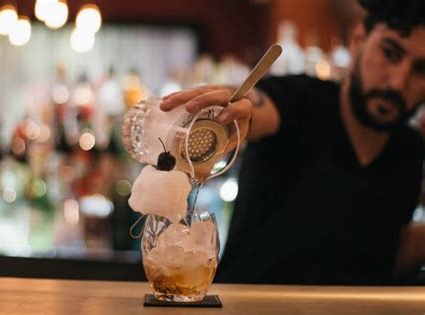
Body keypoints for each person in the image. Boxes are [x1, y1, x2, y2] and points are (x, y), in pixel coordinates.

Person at [159, 0, 425, 285]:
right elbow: (259, 105)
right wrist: (231, 112)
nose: (398, 82)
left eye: (420, 69)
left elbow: (385, 257)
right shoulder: (301, 100)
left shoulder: (409, 151)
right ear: (358, 40)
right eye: (390, 53)